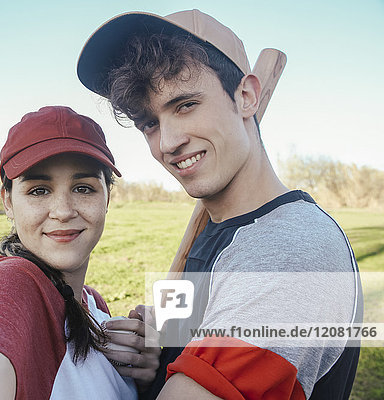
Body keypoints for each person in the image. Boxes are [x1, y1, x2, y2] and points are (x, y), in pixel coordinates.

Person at [77, 9, 362, 400]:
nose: (167, 143)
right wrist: (153, 361)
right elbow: (172, 361)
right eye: (150, 123)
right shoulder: (217, 231)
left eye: (185, 104)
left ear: (246, 96)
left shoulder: (288, 252)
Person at [0, 105, 159, 400]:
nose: (63, 211)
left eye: (83, 188)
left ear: (107, 196)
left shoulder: (93, 304)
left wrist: (146, 380)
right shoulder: (12, 282)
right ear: (8, 202)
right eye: (39, 190)